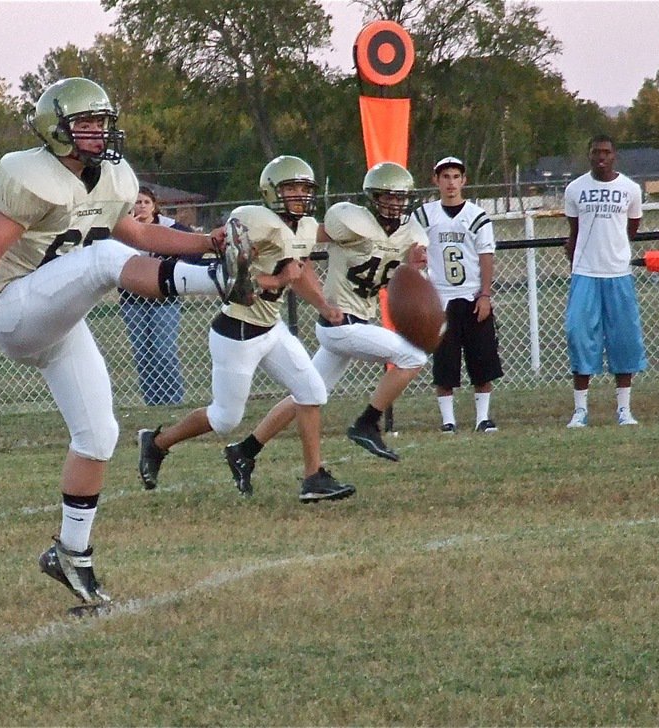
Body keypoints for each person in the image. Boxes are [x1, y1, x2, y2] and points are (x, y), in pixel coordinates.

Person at [0, 77, 239, 609]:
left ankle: (71, 552)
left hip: (60, 318)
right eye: (85, 124)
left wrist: (206, 241)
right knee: (102, 260)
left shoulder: (111, 177)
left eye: (102, 123)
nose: (98, 133)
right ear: (55, 129)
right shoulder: (29, 174)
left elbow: (141, 235)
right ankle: (218, 282)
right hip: (16, 310)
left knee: (98, 435)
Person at [137, 156, 355, 503]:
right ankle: (157, 443)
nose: (299, 195)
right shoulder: (256, 221)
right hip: (238, 331)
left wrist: (324, 307)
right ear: (272, 192)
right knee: (225, 419)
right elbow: (232, 281)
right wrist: (279, 280)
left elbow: (299, 271)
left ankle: (313, 477)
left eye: (304, 188)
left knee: (312, 391)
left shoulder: (304, 226)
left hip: (271, 328)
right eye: (291, 188)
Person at [230, 161, 430, 466]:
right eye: (387, 196)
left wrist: (413, 270)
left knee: (306, 395)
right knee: (413, 356)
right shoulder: (351, 222)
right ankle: (367, 423)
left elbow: (402, 284)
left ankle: (245, 450)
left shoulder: (411, 235)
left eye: (400, 198)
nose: (394, 203)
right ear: (373, 197)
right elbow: (307, 238)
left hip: (355, 321)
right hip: (340, 323)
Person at [415, 156, 503, 434]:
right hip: (440, 298)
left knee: (482, 360)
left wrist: (485, 294)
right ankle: (448, 420)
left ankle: (482, 418)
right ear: (436, 180)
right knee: (445, 363)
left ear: (464, 180)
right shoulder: (425, 215)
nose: (451, 183)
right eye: (445, 177)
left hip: (471, 295)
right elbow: (413, 251)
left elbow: (485, 255)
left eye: (455, 177)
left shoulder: (476, 216)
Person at [563, 134, 646, 427]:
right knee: (579, 334)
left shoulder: (630, 189)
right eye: (596, 152)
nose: (601, 157)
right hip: (585, 273)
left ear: (614, 155)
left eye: (606, 152)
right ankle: (580, 410)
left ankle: (624, 409)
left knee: (624, 338)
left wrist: (615, 251)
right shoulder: (575, 189)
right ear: (589, 155)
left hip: (618, 273)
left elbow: (631, 228)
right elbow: (574, 231)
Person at [118, 186, 201, 405]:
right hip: (132, 299)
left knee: (164, 351)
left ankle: (173, 400)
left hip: (164, 299)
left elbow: (196, 246)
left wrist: (179, 266)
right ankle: (152, 402)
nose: (142, 206)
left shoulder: (169, 226)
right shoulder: (123, 229)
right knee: (142, 354)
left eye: (146, 202)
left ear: (154, 206)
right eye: (137, 202)